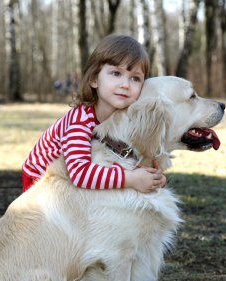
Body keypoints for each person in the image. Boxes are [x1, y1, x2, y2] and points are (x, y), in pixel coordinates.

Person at [22, 34, 166, 193]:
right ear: (94, 79)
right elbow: (79, 173)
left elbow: (130, 151)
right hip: (42, 181)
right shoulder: (81, 121)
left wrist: (154, 176)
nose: (125, 84)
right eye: (116, 73)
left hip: (75, 173)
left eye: (135, 78)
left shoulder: (124, 117)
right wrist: (130, 178)